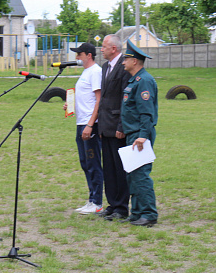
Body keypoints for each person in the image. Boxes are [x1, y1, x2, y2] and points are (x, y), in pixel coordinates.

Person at [120, 39, 158, 226]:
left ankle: (149, 214)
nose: (123, 62)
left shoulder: (144, 81)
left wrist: (143, 135)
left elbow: (146, 112)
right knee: (132, 174)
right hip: (132, 133)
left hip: (140, 134)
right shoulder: (134, 80)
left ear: (135, 61)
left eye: (126, 59)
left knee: (141, 174)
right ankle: (136, 212)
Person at [65, 42, 103, 215]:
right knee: (85, 162)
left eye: (79, 54)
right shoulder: (86, 72)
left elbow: (99, 100)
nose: (76, 57)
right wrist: (70, 105)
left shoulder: (95, 72)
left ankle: (97, 202)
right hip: (81, 123)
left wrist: (90, 124)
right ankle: (91, 199)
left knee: (93, 162)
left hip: (90, 125)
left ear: (88, 55)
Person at [97, 34, 130, 221]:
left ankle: (122, 207)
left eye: (104, 47)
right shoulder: (105, 68)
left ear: (114, 49)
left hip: (117, 126)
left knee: (119, 168)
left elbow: (125, 100)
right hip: (105, 126)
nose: (101, 50)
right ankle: (112, 203)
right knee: (108, 167)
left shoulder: (124, 67)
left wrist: (121, 125)